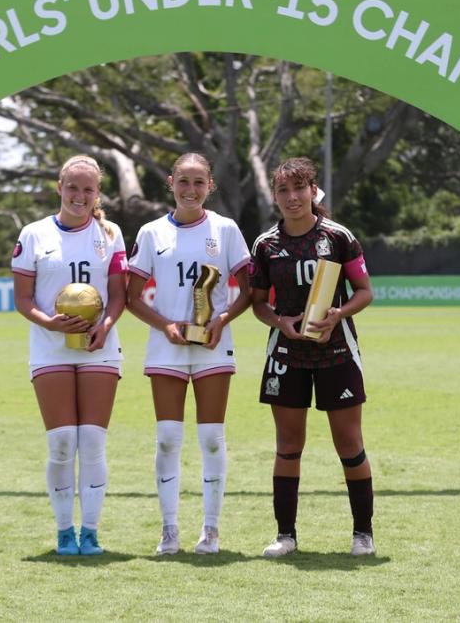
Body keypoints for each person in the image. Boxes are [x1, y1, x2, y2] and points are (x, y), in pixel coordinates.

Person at [249, 156, 376, 557]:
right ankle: (286, 536)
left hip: (336, 351)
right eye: (283, 190)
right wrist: (281, 322)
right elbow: (257, 304)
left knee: (349, 442)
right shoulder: (265, 244)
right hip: (286, 353)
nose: (292, 197)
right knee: (288, 445)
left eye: (298, 188)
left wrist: (338, 314)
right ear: (275, 196)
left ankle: (363, 535)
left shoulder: (338, 237)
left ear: (312, 190)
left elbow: (364, 292)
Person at [126, 153, 252, 555]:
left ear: (210, 186)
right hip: (167, 345)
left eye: (199, 182)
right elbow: (131, 297)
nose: (191, 190)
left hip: (214, 344)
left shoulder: (226, 229)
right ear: (170, 182)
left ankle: (211, 530)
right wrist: (165, 325)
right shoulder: (150, 233)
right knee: (167, 438)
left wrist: (221, 319)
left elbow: (248, 290)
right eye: (184, 181)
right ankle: (169, 530)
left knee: (212, 438)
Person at [11, 155, 128, 556]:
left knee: (92, 442)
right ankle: (64, 531)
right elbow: (23, 301)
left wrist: (106, 326)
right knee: (61, 442)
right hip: (50, 348)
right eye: (73, 187)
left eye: (88, 189)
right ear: (59, 187)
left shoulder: (111, 234)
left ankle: (90, 532)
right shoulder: (33, 235)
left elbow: (118, 296)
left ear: (97, 193)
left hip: (99, 349)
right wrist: (50, 323)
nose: (80, 196)